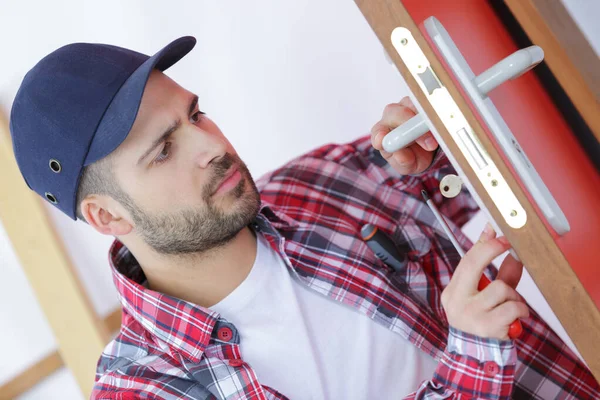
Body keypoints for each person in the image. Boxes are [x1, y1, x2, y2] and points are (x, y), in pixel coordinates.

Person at [9, 36, 598, 400]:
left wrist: (434, 146)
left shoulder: (316, 185)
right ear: (106, 215)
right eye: (163, 150)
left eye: (197, 114)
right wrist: (472, 362)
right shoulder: (143, 389)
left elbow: (515, 164)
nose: (209, 145)